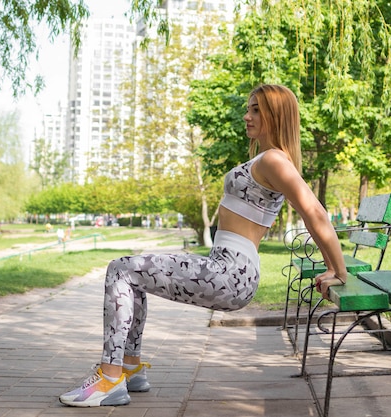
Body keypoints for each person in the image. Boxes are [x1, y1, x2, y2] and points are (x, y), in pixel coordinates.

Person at [59, 84, 348, 407]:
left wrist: (338, 269)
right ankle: (129, 368)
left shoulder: (275, 161)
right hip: (225, 266)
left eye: (255, 109)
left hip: (230, 271)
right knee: (132, 275)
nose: (247, 116)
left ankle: (110, 378)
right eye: (248, 108)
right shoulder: (268, 159)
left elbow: (315, 212)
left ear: (275, 115)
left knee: (121, 270)